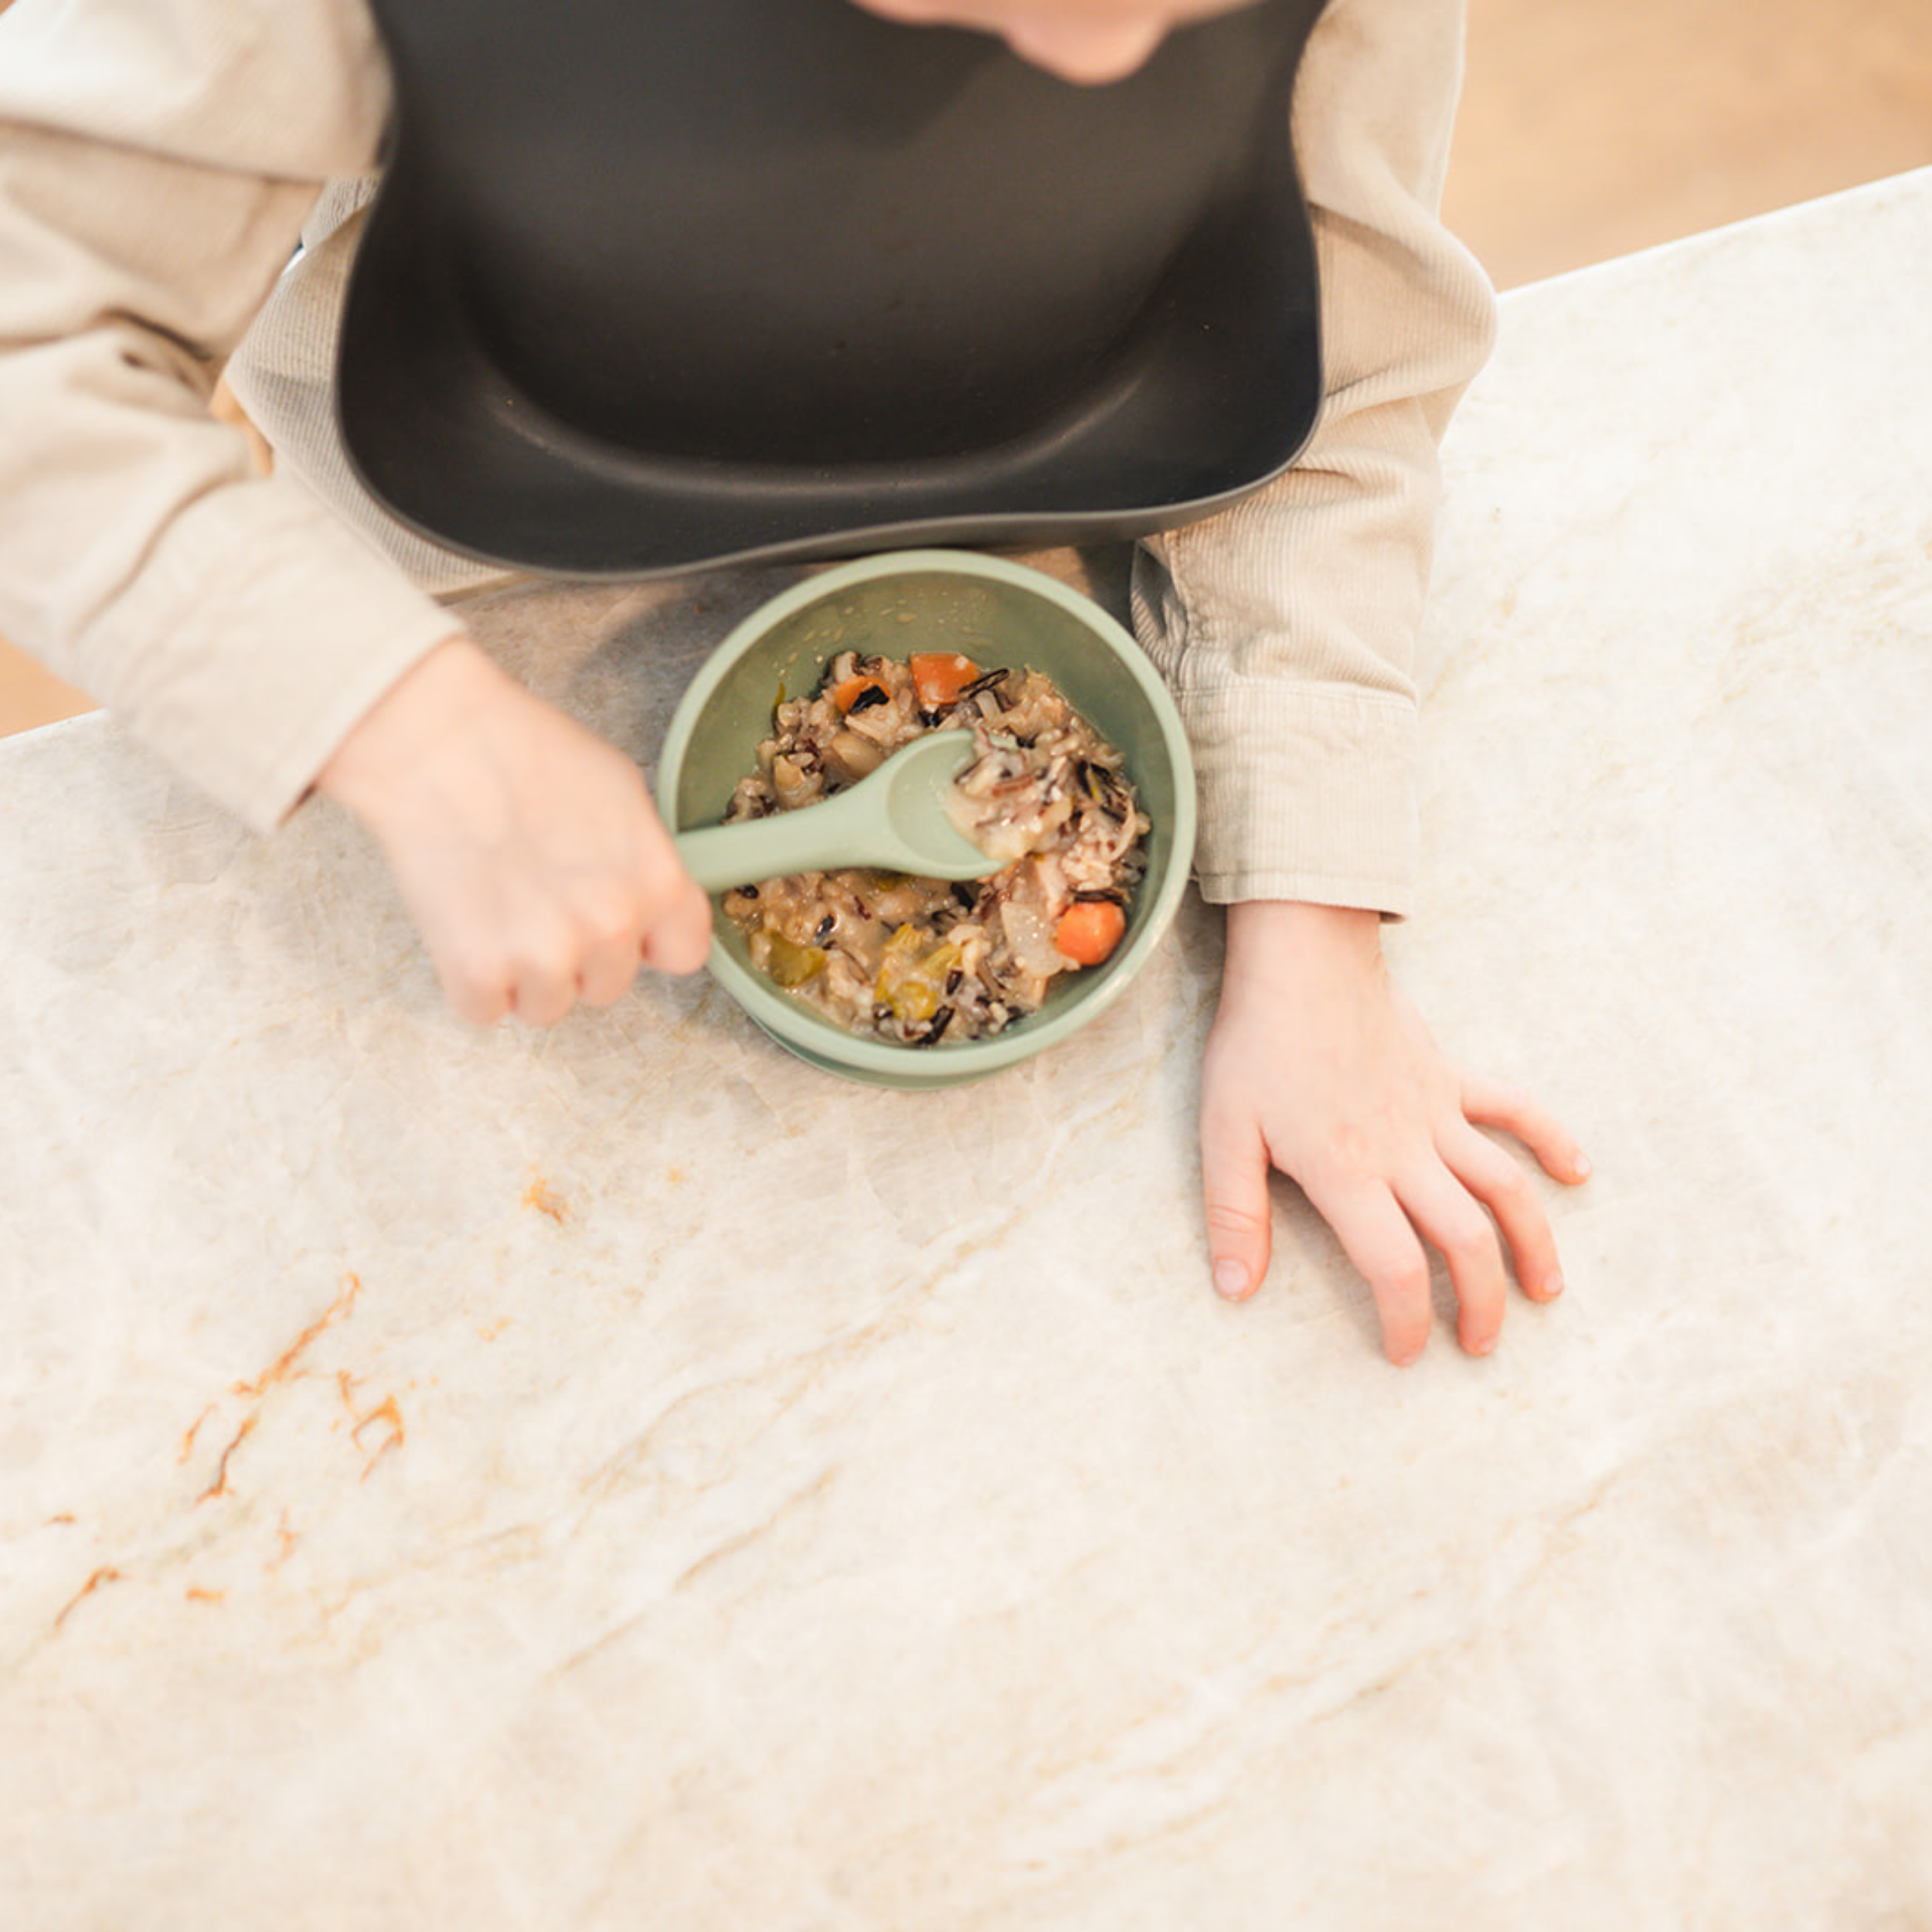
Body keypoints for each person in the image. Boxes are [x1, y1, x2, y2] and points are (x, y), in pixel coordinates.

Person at [0, 0, 1589, 1363]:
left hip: (1051, 548)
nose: (1104, 46)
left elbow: (1342, 350)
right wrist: (395, 718)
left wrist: (1309, 908)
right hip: (433, 608)